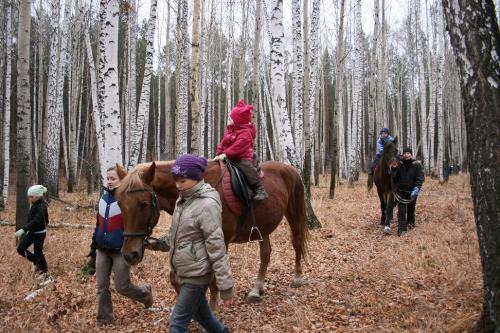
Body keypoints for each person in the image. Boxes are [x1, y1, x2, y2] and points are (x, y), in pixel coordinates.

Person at [149, 154, 233, 333]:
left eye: (182, 180)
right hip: (184, 270)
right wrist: (156, 244)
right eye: (176, 181)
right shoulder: (183, 200)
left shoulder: (207, 205)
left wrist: (225, 287)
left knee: (177, 325)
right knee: (205, 317)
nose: (178, 185)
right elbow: (179, 234)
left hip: (197, 274)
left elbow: (217, 247)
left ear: (196, 177)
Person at [92, 166, 153, 326]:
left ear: (122, 181)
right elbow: (98, 224)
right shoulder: (103, 198)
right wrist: (94, 246)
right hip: (102, 249)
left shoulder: (127, 200)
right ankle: (104, 319)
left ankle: (145, 294)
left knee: (122, 286)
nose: (110, 182)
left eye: (113, 179)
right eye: (108, 179)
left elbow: (135, 224)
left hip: (120, 250)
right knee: (101, 287)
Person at [214, 99, 268, 201]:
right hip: (228, 156)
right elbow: (223, 143)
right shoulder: (230, 130)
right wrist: (219, 153)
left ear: (238, 120)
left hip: (242, 156)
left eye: (231, 118)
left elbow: (238, 148)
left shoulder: (246, 133)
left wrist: (225, 154)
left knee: (245, 166)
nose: (228, 120)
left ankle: (259, 188)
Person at [389, 147, 425, 236]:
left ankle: (410, 223)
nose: (406, 155)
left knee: (411, 209)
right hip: (401, 191)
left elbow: (419, 178)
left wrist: (417, 188)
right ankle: (401, 229)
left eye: (408, 153)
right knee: (401, 211)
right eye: (405, 153)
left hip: (412, 191)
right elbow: (394, 177)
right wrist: (393, 169)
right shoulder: (399, 164)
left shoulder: (417, 165)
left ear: (411, 154)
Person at [15, 185, 49, 274]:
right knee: (20, 249)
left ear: (37, 196)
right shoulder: (36, 204)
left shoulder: (41, 206)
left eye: (31, 196)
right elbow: (46, 220)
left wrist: (24, 229)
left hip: (39, 233)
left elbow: (36, 221)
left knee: (38, 252)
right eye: (29, 196)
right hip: (32, 232)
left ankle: (44, 269)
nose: (30, 199)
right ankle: (36, 262)